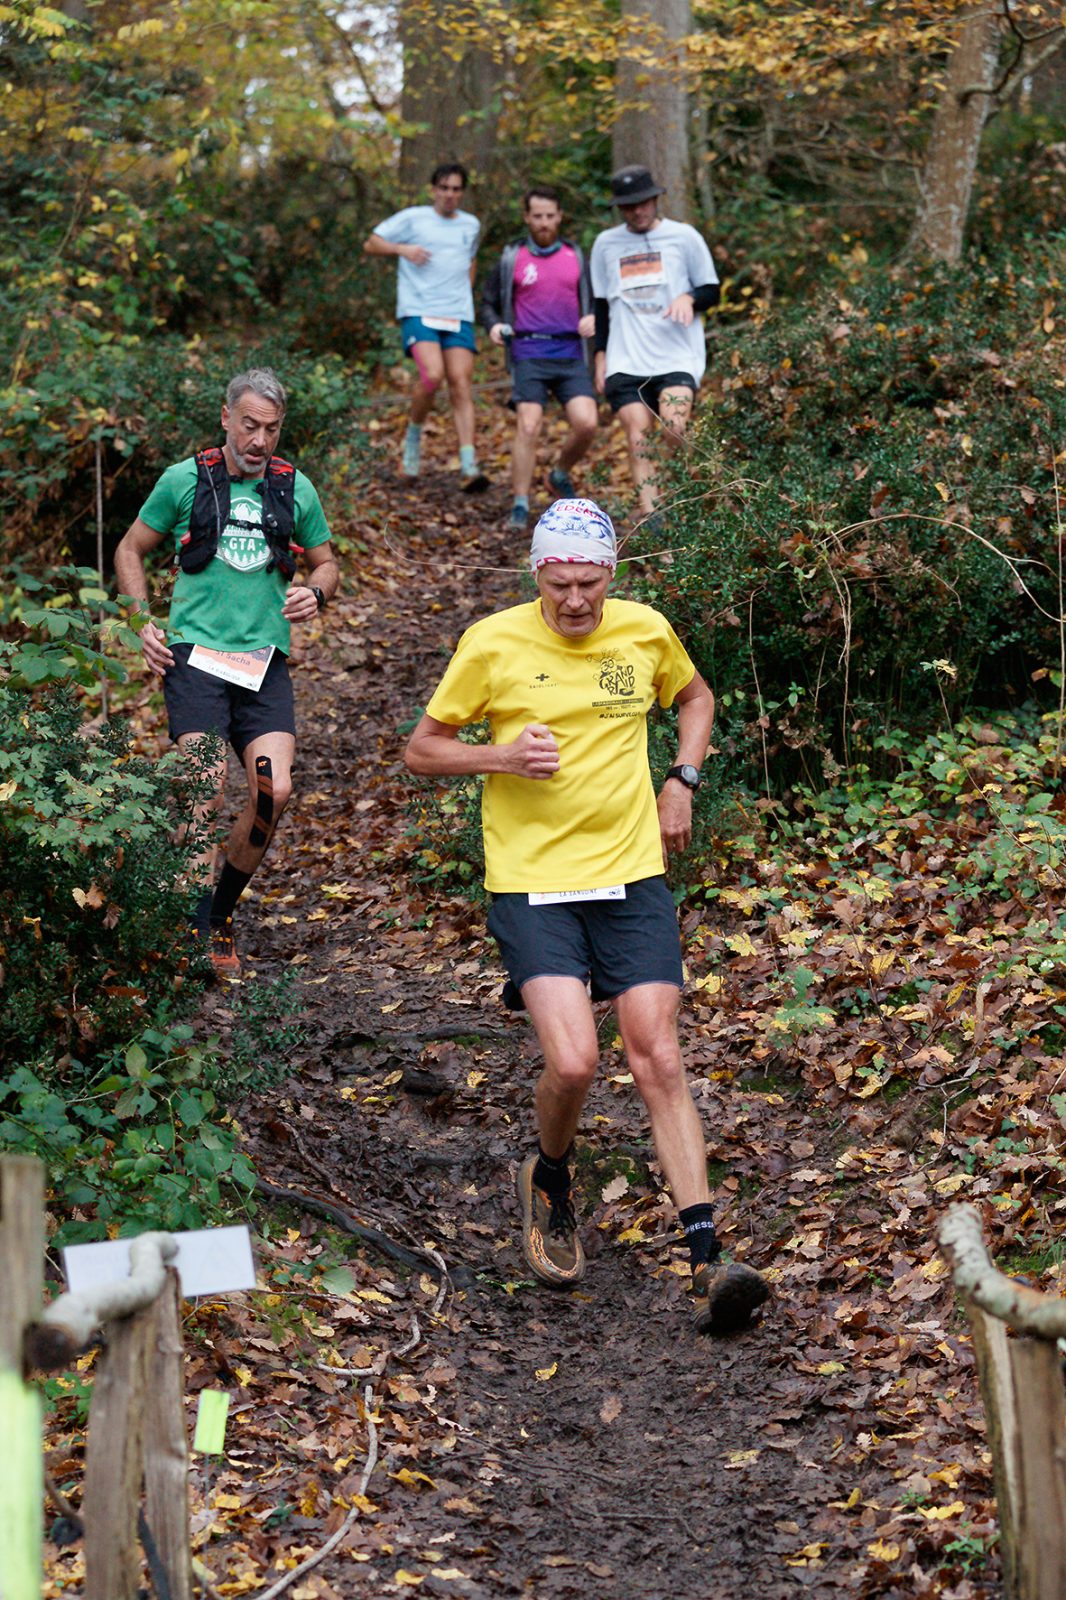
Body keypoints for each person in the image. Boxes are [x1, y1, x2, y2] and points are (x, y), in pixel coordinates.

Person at [404, 498, 768, 1335]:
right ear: (537, 574)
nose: (576, 600)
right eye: (560, 583)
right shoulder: (492, 643)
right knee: (573, 1064)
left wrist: (682, 780)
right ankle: (551, 1177)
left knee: (658, 1055)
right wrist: (500, 755)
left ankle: (707, 1261)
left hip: (630, 873)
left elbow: (697, 698)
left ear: (611, 574)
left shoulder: (644, 631)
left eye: (591, 583)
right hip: (533, 879)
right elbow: (421, 749)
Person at [114, 368, 339, 979]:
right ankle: (188, 932)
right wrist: (140, 621)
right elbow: (130, 549)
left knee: (274, 792)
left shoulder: (294, 487)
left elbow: (326, 563)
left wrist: (316, 592)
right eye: (249, 425)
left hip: (263, 664)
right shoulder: (184, 479)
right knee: (203, 785)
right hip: (195, 659)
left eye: (271, 429)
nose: (259, 440)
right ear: (225, 418)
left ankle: (218, 914)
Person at [590, 165, 720, 518]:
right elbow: (601, 305)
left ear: (655, 199)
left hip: (676, 354)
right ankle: (653, 519)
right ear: (620, 208)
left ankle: (682, 501)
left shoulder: (684, 237)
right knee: (638, 437)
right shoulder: (605, 244)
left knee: (675, 427)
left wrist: (689, 298)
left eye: (643, 203)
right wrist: (600, 357)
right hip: (625, 357)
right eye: (629, 206)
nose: (637, 211)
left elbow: (712, 290)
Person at [365, 163, 489, 493]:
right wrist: (401, 248)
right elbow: (371, 243)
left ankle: (468, 464)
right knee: (432, 376)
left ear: (463, 192)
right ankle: (412, 443)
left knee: (461, 382)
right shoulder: (413, 218)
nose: (449, 194)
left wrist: (463, 295)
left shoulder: (471, 224)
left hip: (457, 313)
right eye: (444, 188)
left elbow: (471, 262)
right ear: (433, 189)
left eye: (456, 189)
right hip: (419, 310)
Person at [480, 185, 597, 532]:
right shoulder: (511, 258)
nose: (544, 222)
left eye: (550, 215)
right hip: (528, 352)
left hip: (571, 353)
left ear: (559, 216)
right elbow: (487, 302)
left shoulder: (576, 256)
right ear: (527, 218)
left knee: (587, 423)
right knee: (529, 425)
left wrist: (593, 318)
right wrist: (494, 324)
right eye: (537, 216)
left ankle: (559, 473)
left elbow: (597, 301)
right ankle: (520, 503)